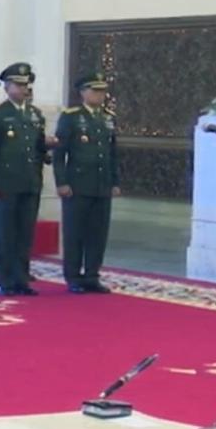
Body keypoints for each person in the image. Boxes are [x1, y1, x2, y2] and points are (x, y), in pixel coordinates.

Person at [0, 63, 48, 296]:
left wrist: (48, 150)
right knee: (5, 233)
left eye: (25, 85)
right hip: (6, 183)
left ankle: (21, 278)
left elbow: (38, 147)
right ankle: (5, 280)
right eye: (18, 85)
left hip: (29, 181)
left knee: (25, 233)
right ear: (7, 87)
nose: (23, 89)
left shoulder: (34, 114)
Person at [54, 72, 120, 294]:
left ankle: (92, 275)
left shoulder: (107, 117)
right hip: (77, 185)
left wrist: (115, 181)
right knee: (75, 233)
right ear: (83, 92)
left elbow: (112, 153)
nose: (99, 95)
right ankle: (73, 276)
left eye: (102, 91)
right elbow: (59, 153)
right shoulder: (71, 117)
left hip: (101, 184)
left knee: (97, 233)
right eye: (95, 91)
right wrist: (61, 182)